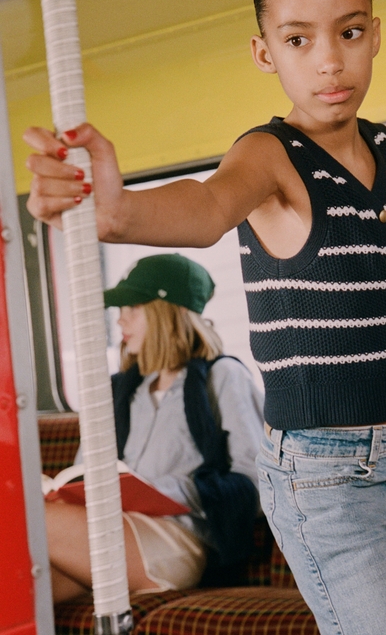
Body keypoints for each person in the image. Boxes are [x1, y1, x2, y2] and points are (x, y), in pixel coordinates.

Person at [26, 0, 386, 632]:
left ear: (374, 35)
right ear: (266, 53)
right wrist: (114, 211)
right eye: (298, 39)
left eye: (349, 32)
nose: (329, 59)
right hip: (326, 482)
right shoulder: (270, 156)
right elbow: (204, 210)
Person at [45, 253, 264, 603]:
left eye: (132, 308)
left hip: (177, 540)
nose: (120, 322)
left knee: (37, 520)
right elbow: (83, 474)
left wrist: (162, 490)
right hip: (107, 530)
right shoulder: (119, 392)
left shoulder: (223, 377)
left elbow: (254, 484)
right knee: (16, 586)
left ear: (166, 311)